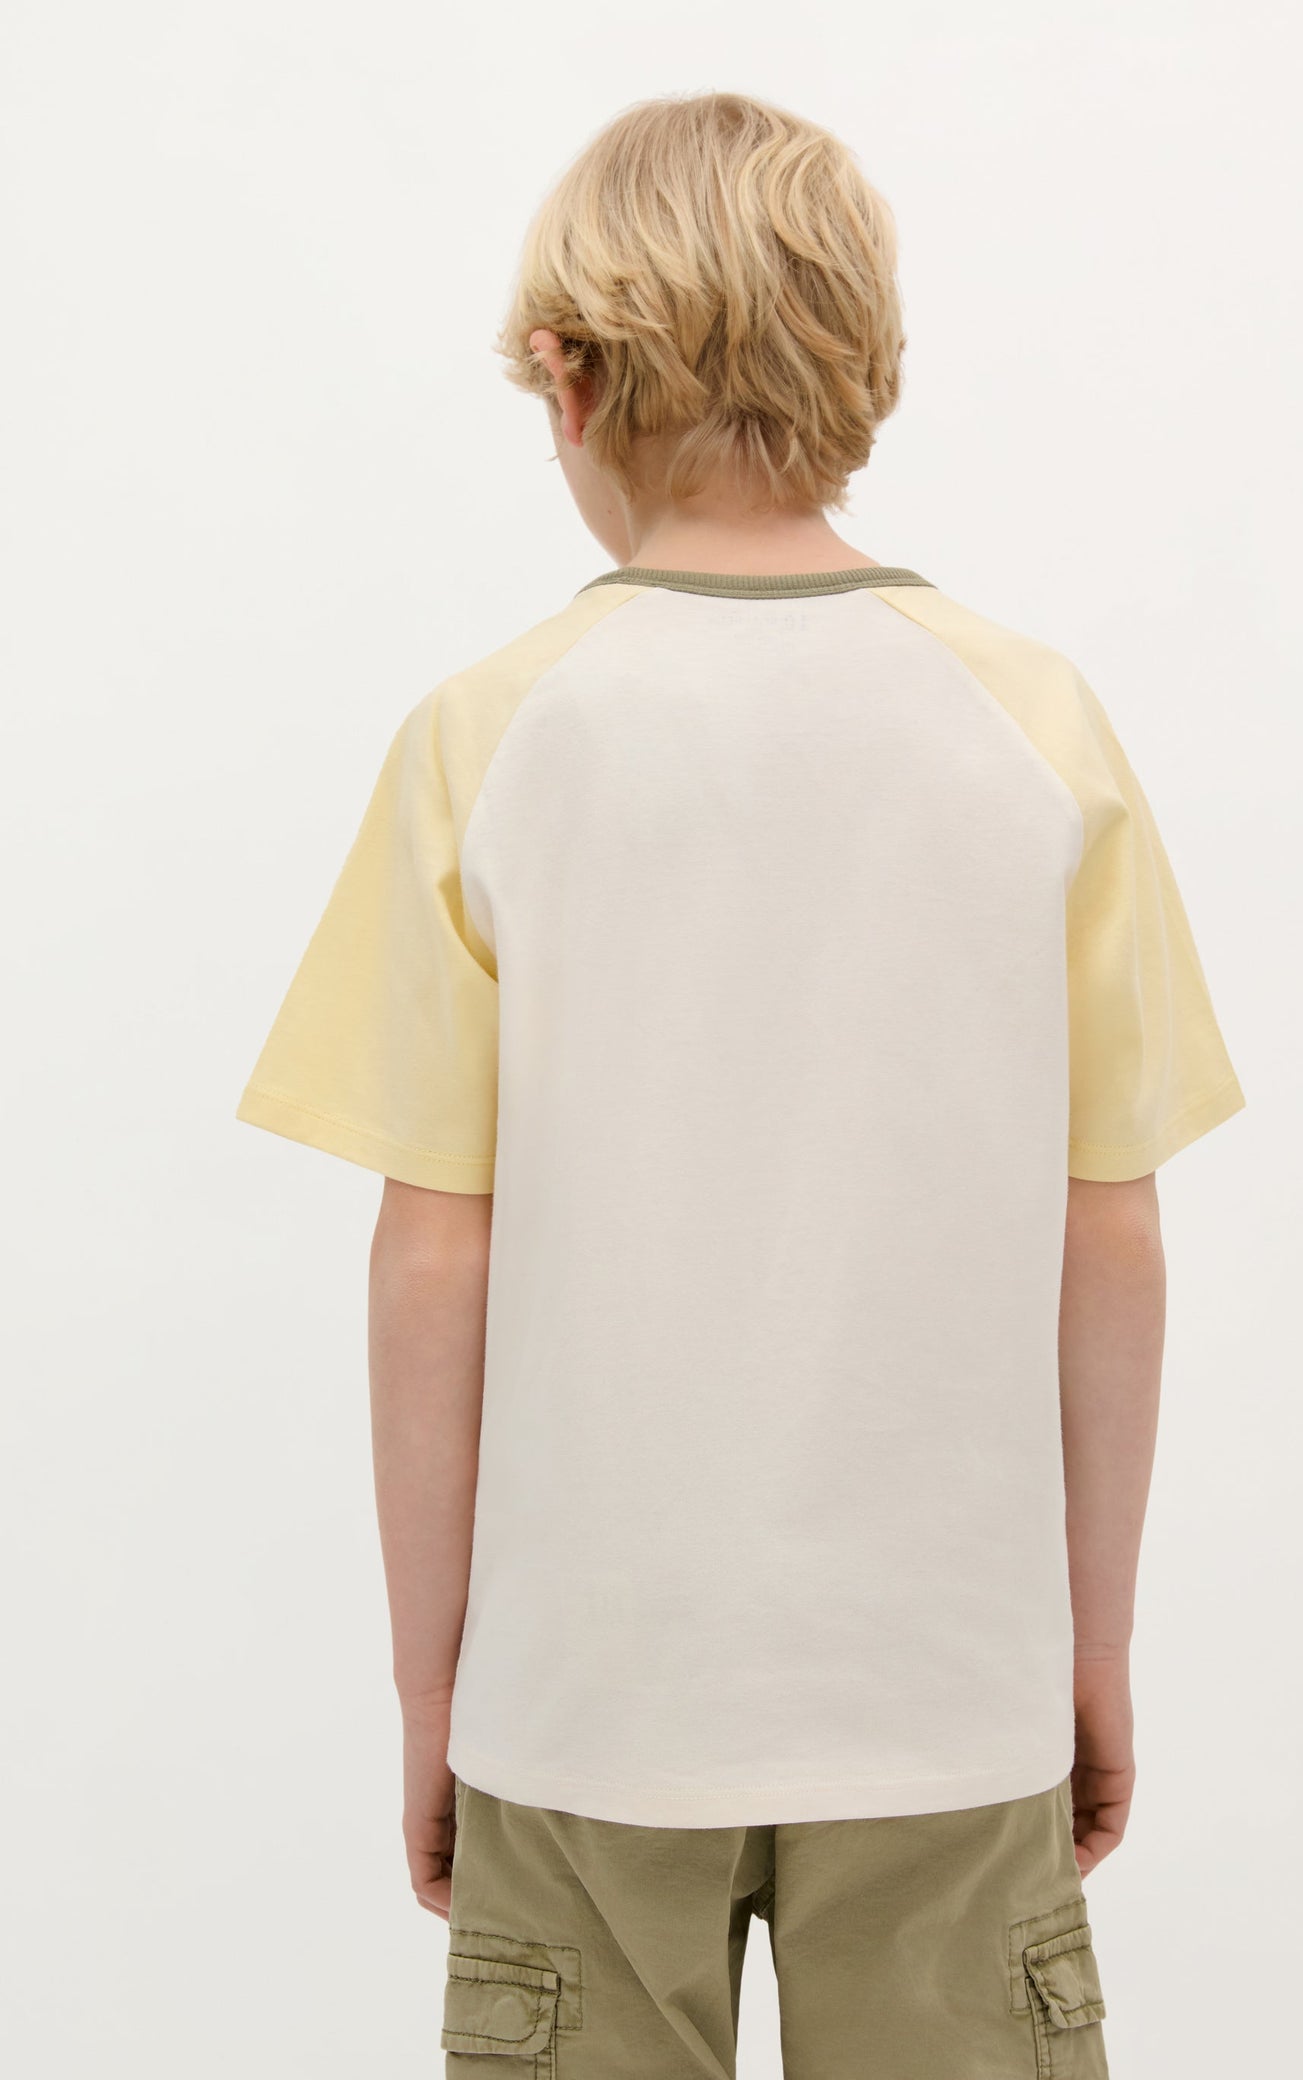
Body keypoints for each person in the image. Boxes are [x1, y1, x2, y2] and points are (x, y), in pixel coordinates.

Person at [237, 89, 1244, 2078]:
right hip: (943, 1691)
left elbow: (433, 1255)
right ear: (868, 365)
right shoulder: (1034, 726)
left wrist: (434, 1685)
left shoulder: (489, 736)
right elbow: (1107, 1228)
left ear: (566, 373)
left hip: (588, 1700)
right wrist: (1092, 1639)